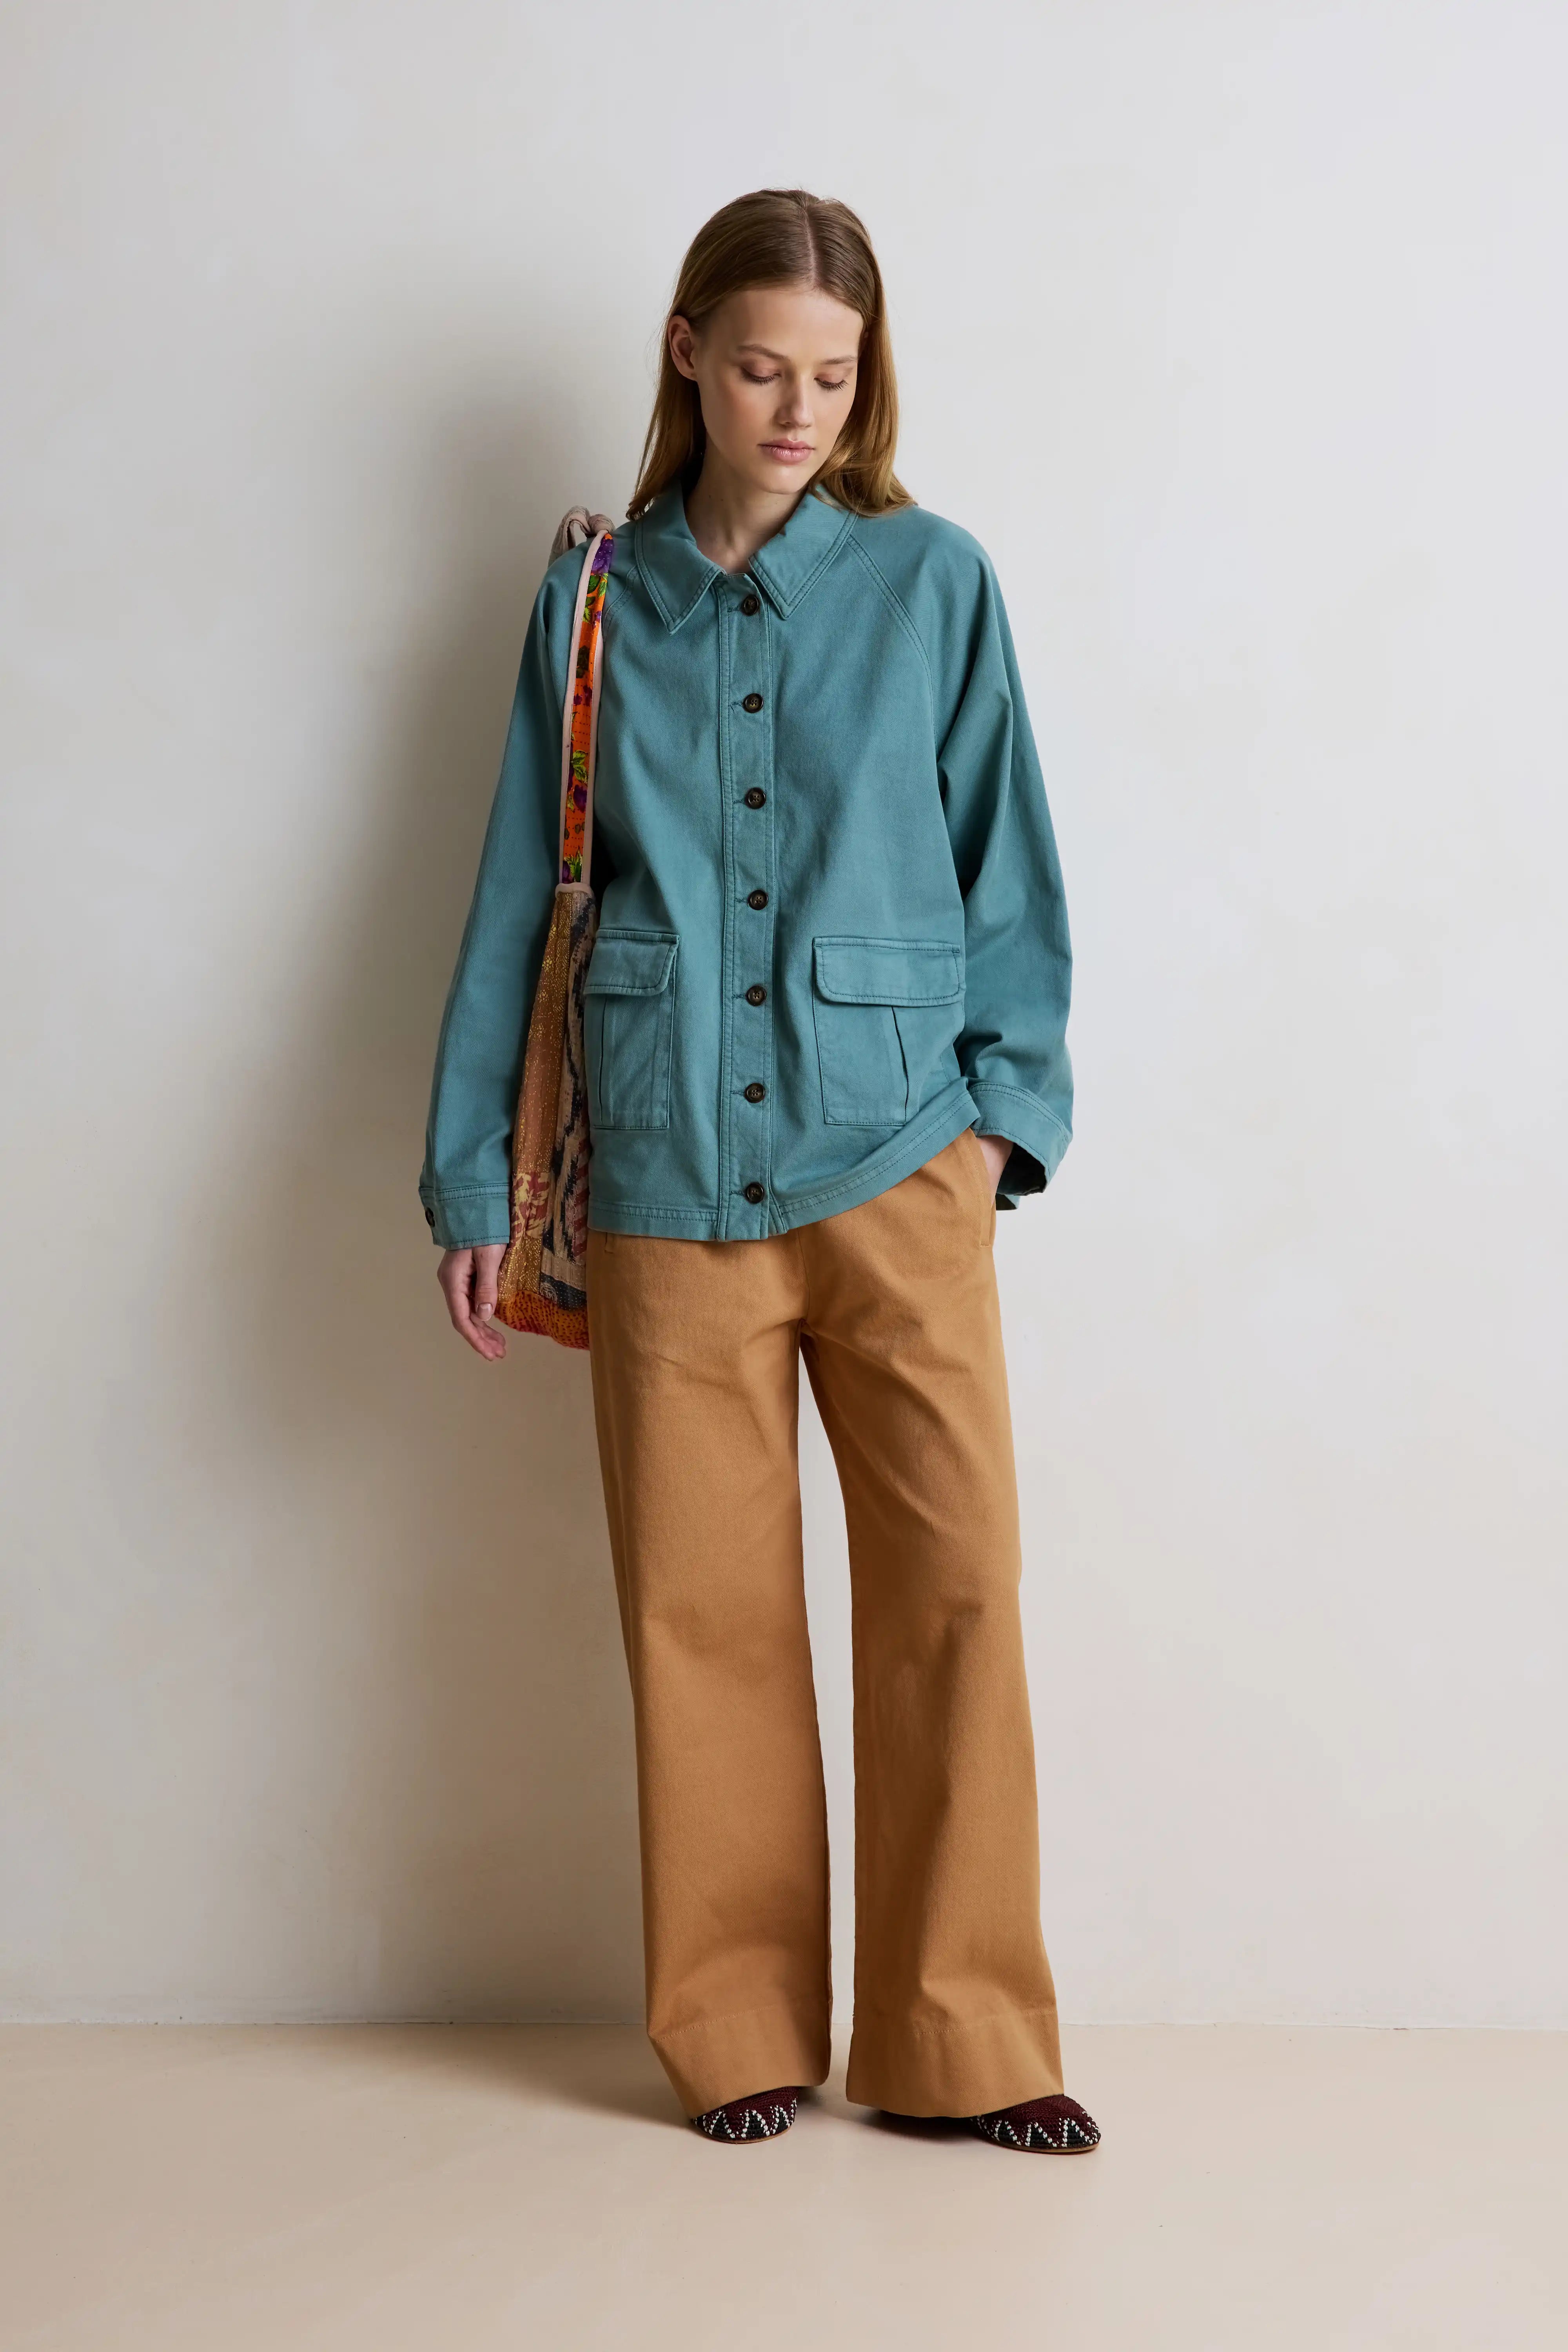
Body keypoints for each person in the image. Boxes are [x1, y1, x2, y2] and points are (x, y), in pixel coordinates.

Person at [419, 189, 1099, 2156]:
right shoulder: (591, 602)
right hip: (661, 1171)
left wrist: (997, 1124)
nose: (798, 409)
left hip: (901, 1164)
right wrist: (474, 1182)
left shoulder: (933, 579)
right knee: (701, 1617)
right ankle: (736, 2033)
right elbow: (517, 898)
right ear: (687, 359)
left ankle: (966, 2039)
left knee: (954, 1590)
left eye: (833, 374)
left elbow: (1011, 871)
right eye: (760, 368)